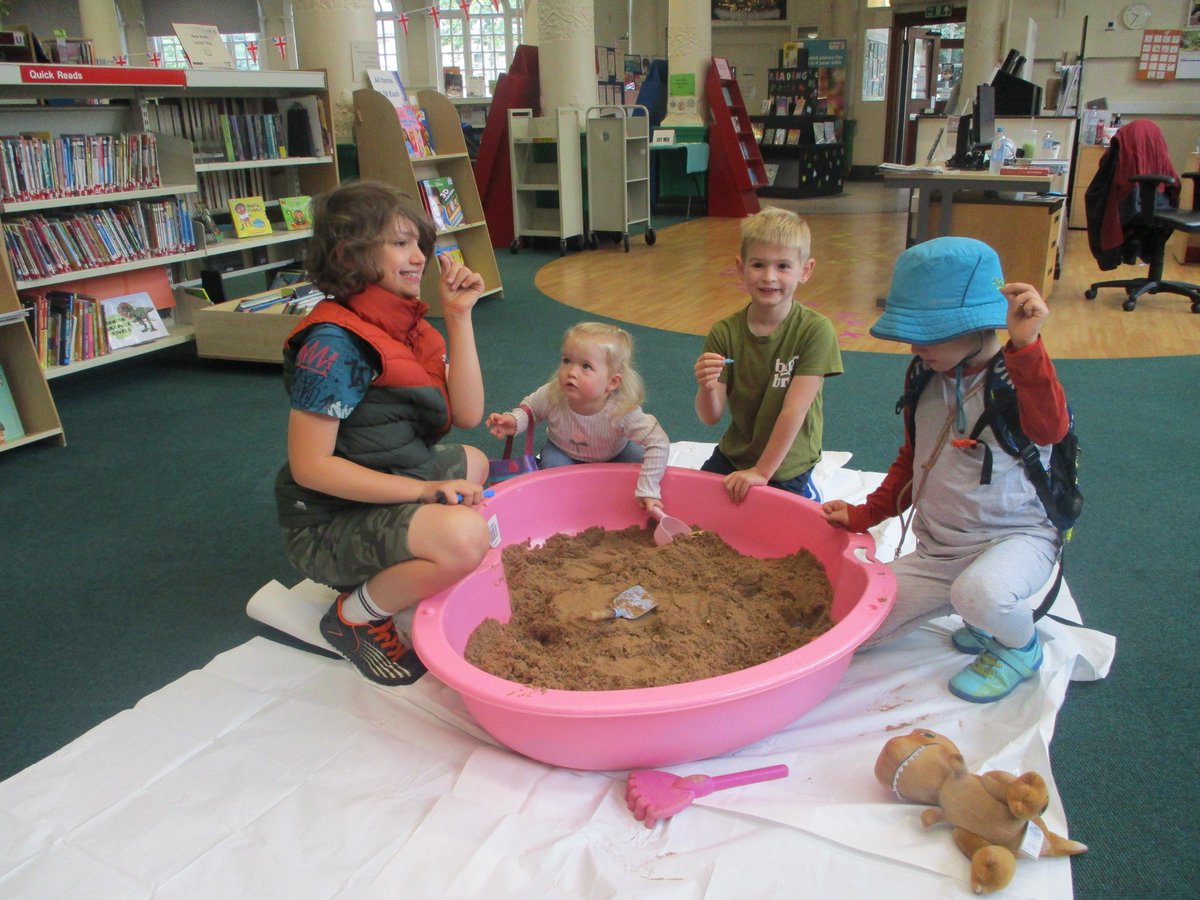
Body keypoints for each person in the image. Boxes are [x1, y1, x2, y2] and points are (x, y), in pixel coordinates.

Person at [821, 236, 1069, 703]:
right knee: (846, 632)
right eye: (913, 334)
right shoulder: (924, 375)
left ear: (978, 324)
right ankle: (976, 609)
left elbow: (1050, 427)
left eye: (930, 334)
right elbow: (916, 460)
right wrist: (864, 515)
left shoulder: (1017, 374)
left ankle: (1020, 646)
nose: (917, 346)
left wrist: (1028, 345)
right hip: (943, 554)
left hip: (1018, 539)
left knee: (983, 591)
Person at [275, 180, 491, 686]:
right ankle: (355, 616)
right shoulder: (333, 343)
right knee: (464, 539)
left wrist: (459, 318)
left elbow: (468, 414)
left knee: (474, 462)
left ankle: (415, 562)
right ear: (350, 252)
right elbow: (310, 467)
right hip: (325, 524)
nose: (418, 256)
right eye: (400, 243)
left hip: (383, 471)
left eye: (419, 243)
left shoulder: (402, 321)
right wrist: (424, 491)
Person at [693, 206, 842, 504]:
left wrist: (761, 472)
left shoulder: (816, 330)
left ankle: (808, 493)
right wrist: (707, 386)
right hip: (738, 452)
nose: (769, 277)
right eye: (758, 264)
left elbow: (794, 411)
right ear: (741, 266)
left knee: (773, 528)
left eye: (783, 266)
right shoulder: (724, 332)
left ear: (805, 270)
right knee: (697, 506)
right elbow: (710, 416)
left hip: (788, 460)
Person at [485, 321, 669, 512]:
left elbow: (658, 442)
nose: (571, 372)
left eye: (586, 366)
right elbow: (531, 408)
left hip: (615, 453)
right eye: (567, 361)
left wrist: (648, 488)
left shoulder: (623, 410)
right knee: (552, 469)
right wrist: (514, 421)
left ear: (612, 382)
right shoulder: (553, 393)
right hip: (564, 451)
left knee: (639, 459)